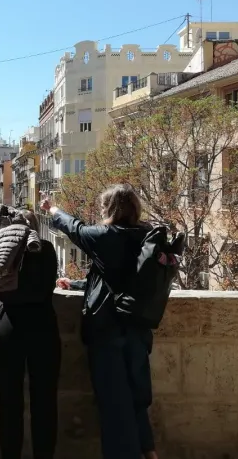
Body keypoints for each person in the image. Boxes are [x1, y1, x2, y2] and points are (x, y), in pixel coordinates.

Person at [41, 185, 159, 459]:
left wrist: (52, 208)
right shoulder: (146, 236)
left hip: (109, 333)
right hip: (139, 331)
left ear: (109, 210)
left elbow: (76, 229)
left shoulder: (107, 237)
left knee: (116, 407)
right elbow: (116, 279)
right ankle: (149, 452)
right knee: (136, 399)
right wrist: (78, 283)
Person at [0, 209, 61, 459]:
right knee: (45, 401)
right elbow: (48, 285)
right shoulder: (47, 250)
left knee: (9, 401)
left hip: (8, 323)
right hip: (42, 325)